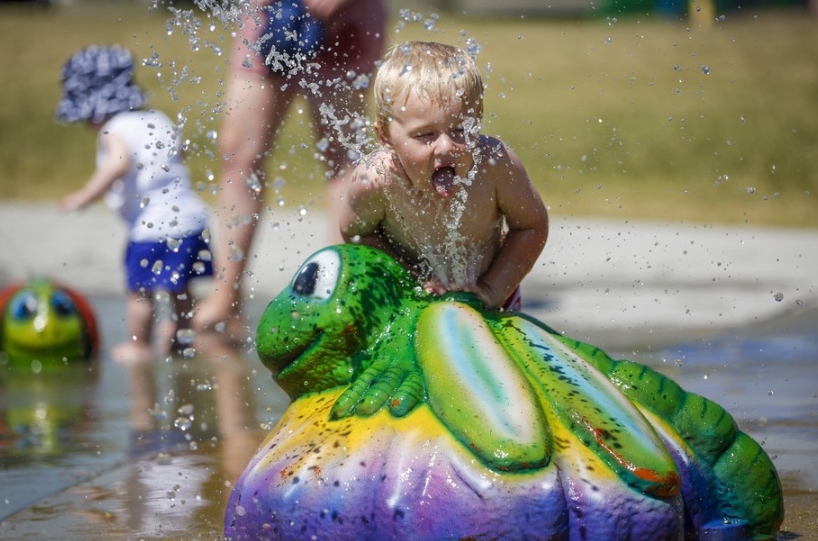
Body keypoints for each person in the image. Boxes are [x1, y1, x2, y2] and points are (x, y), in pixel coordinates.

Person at [192, 0, 387, 338]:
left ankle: (340, 295)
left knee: (343, 159)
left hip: (348, 14)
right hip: (271, 11)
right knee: (238, 155)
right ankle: (226, 299)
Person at [340, 41, 549, 310]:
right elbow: (356, 232)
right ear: (385, 137)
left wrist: (491, 289)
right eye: (425, 134)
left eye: (461, 130)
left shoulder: (494, 164)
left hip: (494, 299)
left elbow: (531, 226)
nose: (447, 147)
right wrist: (409, 280)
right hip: (406, 301)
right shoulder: (376, 180)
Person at [57, 44, 213, 362]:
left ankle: (138, 345)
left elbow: (118, 163)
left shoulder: (115, 129)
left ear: (95, 109)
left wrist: (85, 195)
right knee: (179, 287)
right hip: (191, 219)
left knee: (139, 291)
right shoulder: (157, 118)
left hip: (151, 227)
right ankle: (183, 337)